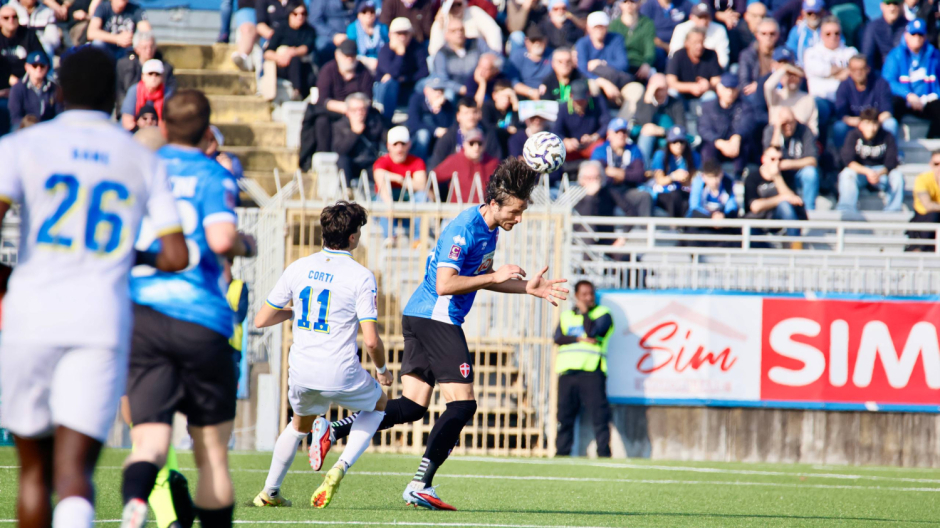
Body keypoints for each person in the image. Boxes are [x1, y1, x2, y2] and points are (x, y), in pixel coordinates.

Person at [0, 46, 187, 528]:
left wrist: (8, 281)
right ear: (114, 95)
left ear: (58, 91)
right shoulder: (140, 157)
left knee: (34, 473)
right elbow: (175, 255)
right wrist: (130, 254)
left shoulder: (24, 145)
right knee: (76, 471)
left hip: (31, 312)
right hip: (100, 317)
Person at [318, 158, 568, 510]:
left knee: (411, 407)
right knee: (463, 404)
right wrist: (495, 277)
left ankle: (334, 429)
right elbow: (446, 284)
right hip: (437, 318)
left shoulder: (490, 228)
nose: (519, 218)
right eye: (516, 210)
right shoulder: (464, 228)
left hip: (421, 316)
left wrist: (527, 287)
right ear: (495, 203)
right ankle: (421, 483)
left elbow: (479, 277)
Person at [120, 89, 255, 528]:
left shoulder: (141, 170)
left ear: (164, 123)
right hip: (200, 316)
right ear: (207, 129)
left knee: (149, 444)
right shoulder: (212, 173)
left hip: (143, 313)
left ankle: (137, 504)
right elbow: (219, 240)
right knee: (212, 455)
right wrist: (244, 243)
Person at [251, 201, 390, 509]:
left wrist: (294, 313)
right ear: (353, 237)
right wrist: (382, 369)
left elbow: (261, 319)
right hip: (340, 371)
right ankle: (340, 466)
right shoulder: (361, 276)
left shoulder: (298, 267)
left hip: (301, 370)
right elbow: (370, 340)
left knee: (297, 427)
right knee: (379, 405)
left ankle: (269, 493)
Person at [554, 279, 613, 458]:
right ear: (576, 296)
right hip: (568, 373)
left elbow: (593, 332)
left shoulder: (604, 314)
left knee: (599, 416)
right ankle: (562, 454)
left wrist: (586, 313)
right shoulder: (567, 316)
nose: (588, 298)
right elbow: (557, 338)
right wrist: (579, 339)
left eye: (591, 294)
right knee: (564, 417)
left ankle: (603, 454)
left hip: (592, 372)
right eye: (584, 295)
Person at [299, 39, 374, 169]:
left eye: (352, 56)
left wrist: (355, 110)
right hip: (334, 111)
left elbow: (368, 98)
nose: (349, 59)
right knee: (320, 120)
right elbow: (322, 100)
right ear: (338, 55)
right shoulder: (328, 70)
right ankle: (323, 157)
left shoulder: (363, 72)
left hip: (358, 111)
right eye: (346, 56)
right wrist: (346, 108)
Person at [836, 108, 904, 212]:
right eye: (867, 123)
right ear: (861, 124)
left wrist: (878, 173)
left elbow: (891, 162)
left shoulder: (887, 136)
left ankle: (893, 212)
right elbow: (848, 161)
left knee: (897, 176)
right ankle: (846, 211)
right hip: (860, 173)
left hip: (881, 174)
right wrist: (867, 172)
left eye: (874, 124)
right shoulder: (853, 135)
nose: (871, 128)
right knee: (846, 174)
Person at [883, 18, 940, 137]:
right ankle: (891, 145)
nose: (917, 38)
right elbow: (888, 81)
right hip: (904, 99)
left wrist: (931, 97)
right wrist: (908, 95)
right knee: (893, 106)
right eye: (913, 34)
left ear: (925, 37)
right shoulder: (896, 55)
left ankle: (932, 145)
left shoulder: (933, 55)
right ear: (906, 35)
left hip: (927, 98)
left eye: (920, 34)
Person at [803, 17, 856, 141]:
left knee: (842, 125)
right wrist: (841, 72)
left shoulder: (850, 51)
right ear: (821, 35)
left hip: (846, 101)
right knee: (817, 107)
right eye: (828, 34)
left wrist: (828, 74)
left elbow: (855, 72)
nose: (833, 37)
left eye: (837, 33)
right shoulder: (812, 52)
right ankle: (819, 147)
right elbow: (820, 69)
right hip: (822, 99)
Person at [589, 117, 652, 217]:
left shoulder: (634, 149)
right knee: (602, 196)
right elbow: (597, 173)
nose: (621, 135)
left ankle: (644, 231)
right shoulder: (600, 150)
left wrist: (616, 173)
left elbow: (639, 175)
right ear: (609, 134)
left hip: (627, 190)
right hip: (607, 190)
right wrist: (626, 174)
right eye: (617, 132)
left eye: (624, 132)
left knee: (644, 196)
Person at [744, 146, 807, 245]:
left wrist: (777, 177)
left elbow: (793, 200)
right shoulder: (753, 177)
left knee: (785, 205)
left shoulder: (787, 176)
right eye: (773, 159)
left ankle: (796, 246)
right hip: (757, 222)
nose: (777, 163)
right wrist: (781, 198)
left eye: (780, 159)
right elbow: (755, 206)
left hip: (778, 218)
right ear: (763, 159)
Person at [833, 55, 897, 149]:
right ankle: (841, 158)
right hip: (855, 124)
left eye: (862, 69)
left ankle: (892, 155)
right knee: (839, 127)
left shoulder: (880, 83)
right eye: (854, 69)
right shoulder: (844, 86)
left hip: (876, 123)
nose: (858, 72)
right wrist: (861, 123)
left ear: (868, 69)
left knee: (891, 123)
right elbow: (841, 115)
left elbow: (887, 112)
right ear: (849, 71)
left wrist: (871, 123)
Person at [762, 106, 819, 210]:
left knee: (810, 173)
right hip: (779, 175)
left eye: (791, 122)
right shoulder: (771, 131)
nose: (788, 126)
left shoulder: (804, 130)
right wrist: (778, 129)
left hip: (798, 173)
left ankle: (808, 211)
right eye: (785, 123)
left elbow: (812, 160)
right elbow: (770, 154)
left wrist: (788, 164)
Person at [374, 17, 429, 120]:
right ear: (390, 35)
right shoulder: (385, 50)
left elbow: (424, 71)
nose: (402, 37)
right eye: (398, 34)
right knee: (391, 83)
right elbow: (393, 73)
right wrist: (400, 53)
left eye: (405, 33)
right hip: (385, 91)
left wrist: (405, 78)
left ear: (411, 34)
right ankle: (387, 120)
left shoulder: (417, 48)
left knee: (426, 84)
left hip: (409, 86)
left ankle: (420, 119)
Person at [699, 73, 752, 174]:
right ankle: (710, 176)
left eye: (732, 89)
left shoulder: (744, 106)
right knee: (707, 149)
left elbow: (748, 123)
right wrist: (719, 142)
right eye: (727, 88)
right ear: (719, 89)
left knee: (745, 146)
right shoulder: (708, 106)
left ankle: (738, 177)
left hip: (735, 145)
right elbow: (703, 128)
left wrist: (737, 137)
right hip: (717, 144)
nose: (729, 92)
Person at [429, 96, 501, 170]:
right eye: (466, 113)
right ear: (458, 116)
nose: (471, 117)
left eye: (474, 112)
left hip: (482, 177)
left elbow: (496, 162)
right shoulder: (448, 137)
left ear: (479, 114)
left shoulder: (488, 135)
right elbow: (435, 167)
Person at [629, 72, 684, 165]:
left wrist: (661, 131)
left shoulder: (675, 103)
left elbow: (681, 127)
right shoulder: (643, 102)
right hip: (647, 140)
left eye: (663, 89)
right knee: (647, 134)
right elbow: (644, 124)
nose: (660, 92)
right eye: (657, 89)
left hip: (669, 140)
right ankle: (644, 169)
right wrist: (648, 100)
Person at [263, 2, 316, 100]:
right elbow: (268, 52)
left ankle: (300, 93)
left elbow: (307, 47)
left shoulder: (309, 30)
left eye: (303, 14)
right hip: (281, 65)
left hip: (300, 66)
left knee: (299, 63)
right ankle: (297, 91)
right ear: (289, 14)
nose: (299, 17)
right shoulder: (281, 29)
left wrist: (291, 52)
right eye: (295, 14)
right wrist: (280, 57)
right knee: (294, 60)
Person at [332, 92, 386, 187]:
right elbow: (341, 150)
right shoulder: (339, 126)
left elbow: (385, 138)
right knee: (342, 160)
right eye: (354, 110)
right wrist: (354, 133)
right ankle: (347, 191)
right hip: (351, 163)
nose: (359, 113)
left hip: (370, 162)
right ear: (347, 111)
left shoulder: (375, 123)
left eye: (362, 109)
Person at [575, 11, 632, 102]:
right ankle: (597, 114)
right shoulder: (582, 44)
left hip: (618, 80)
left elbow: (623, 64)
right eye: (595, 27)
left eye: (602, 27)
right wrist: (602, 82)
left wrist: (600, 63)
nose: (598, 30)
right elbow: (582, 69)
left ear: (607, 27)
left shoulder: (616, 39)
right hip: (595, 81)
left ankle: (625, 116)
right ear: (589, 28)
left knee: (636, 89)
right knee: (592, 85)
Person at [116, 31, 176, 114]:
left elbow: (170, 92)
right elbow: (120, 93)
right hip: (131, 110)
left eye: (151, 47)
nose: (148, 51)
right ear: (136, 49)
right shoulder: (125, 66)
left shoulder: (166, 68)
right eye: (144, 47)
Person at [433, 128, 500, 202]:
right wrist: (432, 195)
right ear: (464, 144)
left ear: (484, 145)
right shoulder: (455, 160)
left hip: (484, 210)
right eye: (471, 143)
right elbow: (433, 177)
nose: (476, 147)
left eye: (479, 143)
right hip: (458, 210)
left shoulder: (493, 163)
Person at [431, 18, 492, 94]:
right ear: (446, 35)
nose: (459, 33)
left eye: (461, 30)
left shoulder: (477, 43)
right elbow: (442, 79)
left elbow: (495, 57)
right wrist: (460, 89)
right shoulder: (441, 54)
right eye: (453, 31)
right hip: (456, 92)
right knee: (448, 94)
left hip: (480, 84)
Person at [552, 79, 609, 160]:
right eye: (577, 101)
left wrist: (593, 137)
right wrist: (566, 141)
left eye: (582, 101)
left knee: (600, 147)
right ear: (571, 97)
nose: (580, 104)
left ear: (588, 95)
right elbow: (556, 131)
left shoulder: (598, 102)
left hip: (592, 145)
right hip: (572, 149)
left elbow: (606, 124)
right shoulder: (564, 107)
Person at [764, 53, 819, 135]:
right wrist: (785, 68)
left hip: (799, 141)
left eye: (795, 75)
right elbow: (768, 86)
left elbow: (813, 129)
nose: (792, 78)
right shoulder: (776, 96)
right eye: (789, 75)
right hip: (777, 138)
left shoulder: (808, 99)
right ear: (782, 78)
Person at [649, 125, 696, 217]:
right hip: (663, 193)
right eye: (674, 142)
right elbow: (660, 181)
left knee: (687, 200)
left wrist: (685, 179)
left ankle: (684, 229)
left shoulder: (690, 156)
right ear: (669, 143)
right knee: (675, 196)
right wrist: (674, 176)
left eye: (681, 142)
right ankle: (674, 227)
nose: (678, 145)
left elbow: (691, 182)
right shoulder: (660, 155)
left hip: (682, 192)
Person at [665, 27, 722, 102]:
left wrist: (709, 85)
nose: (699, 46)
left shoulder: (711, 55)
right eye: (695, 42)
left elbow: (717, 80)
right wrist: (691, 87)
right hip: (682, 96)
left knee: (711, 96)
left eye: (701, 42)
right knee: (672, 92)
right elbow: (671, 82)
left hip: (704, 94)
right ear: (687, 43)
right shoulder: (678, 55)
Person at [374, 126, 428, 204]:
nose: (399, 149)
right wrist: (390, 206)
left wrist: (400, 180)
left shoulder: (417, 162)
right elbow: (381, 182)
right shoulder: (381, 162)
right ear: (388, 146)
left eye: (403, 144)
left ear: (409, 144)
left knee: (422, 197)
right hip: (387, 198)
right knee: (381, 201)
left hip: (411, 198)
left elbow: (421, 186)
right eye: (395, 144)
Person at [406, 76, 456, 161]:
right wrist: (435, 130)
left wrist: (439, 110)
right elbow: (413, 123)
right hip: (417, 138)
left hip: (438, 140)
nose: (438, 93)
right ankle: (419, 165)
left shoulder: (447, 105)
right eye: (435, 90)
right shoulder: (416, 99)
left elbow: (447, 125)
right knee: (423, 134)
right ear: (426, 91)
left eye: (441, 90)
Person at [428, 0, 502, 56]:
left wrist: (493, 55)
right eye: (452, 6)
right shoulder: (442, 20)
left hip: (477, 55)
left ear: (464, 3)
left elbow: (494, 31)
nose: (455, 8)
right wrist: (439, 28)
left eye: (458, 4)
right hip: (452, 61)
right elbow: (434, 51)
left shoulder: (473, 12)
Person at [668, 3, 730, 68]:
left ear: (710, 18)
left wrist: (712, 74)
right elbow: (674, 54)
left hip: (711, 70)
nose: (703, 21)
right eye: (700, 17)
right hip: (685, 70)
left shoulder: (719, 29)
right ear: (691, 17)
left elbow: (723, 59)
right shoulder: (681, 29)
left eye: (706, 17)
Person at [8, 50, 58, 128]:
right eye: (34, 65)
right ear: (27, 67)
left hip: (48, 129)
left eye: (42, 66)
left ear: (47, 67)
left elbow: (59, 113)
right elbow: (15, 117)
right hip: (24, 128)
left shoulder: (53, 88)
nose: (38, 69)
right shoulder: (18, 88)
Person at [640, 0, 695, 69]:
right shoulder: (649, 6)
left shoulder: (683, 3)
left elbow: (696, 17)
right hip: (658, 46)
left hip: (681, 45)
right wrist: (667, 47)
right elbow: (644, 31)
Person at [608, 0, 654, 81]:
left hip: (640, 65)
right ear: (620, 4)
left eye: (633, 1)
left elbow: (649, 48)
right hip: (619, 67)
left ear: (639, 3)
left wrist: (647, 64)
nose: (629, 4)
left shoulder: (647, 23)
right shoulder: (614, 25)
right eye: (625, 1)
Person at [86, 0, 151, 57]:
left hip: (127, 50)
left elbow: (146, 32)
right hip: (107, 48)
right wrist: (117, 38)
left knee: (145, 45)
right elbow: (91, 33)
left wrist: (133, 38)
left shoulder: (136, 9)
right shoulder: (103, 7)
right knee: (98, 43)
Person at [505, 24, 552, 101]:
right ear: (527, 42)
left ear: (545, 40)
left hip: (547, 95)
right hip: (523, 97)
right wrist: (530, 92)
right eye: (533, 40)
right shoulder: (518, 56)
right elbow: (513, 81)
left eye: (540, 40)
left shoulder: (552, 55)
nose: (537, 43)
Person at [120, 58, 166, 131]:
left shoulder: (167, 93)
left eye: (157, 74)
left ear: (162, 77)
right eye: (150, 74)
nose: (153, 78)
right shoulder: (134, 91)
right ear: (143, 76)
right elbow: (127, 122)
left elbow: (170, 123)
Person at [908, 150, 940, 250]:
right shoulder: (923, 179)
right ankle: (920, 249)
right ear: (931, 164)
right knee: (933, 215)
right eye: (936, 164)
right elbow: (928, 205)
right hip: (924, 220)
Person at [738, 17, 779, 95]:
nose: (768, 37)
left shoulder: (784, 54)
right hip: (755, 94)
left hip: (777, 91)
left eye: (772, 33)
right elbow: (744, 84)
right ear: (757, 35)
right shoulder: (747, 54)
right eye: (764, 33)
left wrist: (760, 85)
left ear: (778, 35)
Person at [862, 0, 906, 70]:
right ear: (882, 6)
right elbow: (867, 57)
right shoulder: (873, 27)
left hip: (904, 74)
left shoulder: (908, 27)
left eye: (895, 3)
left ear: (901, 6)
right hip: (879, 75)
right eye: (888, 4)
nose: (892, 8)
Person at [345, 0, 387, 72]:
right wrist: (367, 61)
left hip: (381, 61)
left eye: (371, 12)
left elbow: (387, 46)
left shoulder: (382, 27)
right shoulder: (352, 28)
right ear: (359, 15)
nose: (368, 15)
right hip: (360, 62)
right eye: (364, 12)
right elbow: (352, 49)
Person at [784, 0, 822, 66]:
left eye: (816, 12)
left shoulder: (828, 30)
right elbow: (790, 51)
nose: (813, 16)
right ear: (803, 13)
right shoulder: (797, 31)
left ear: (822, 12)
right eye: (809, 13)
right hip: (801, 69)